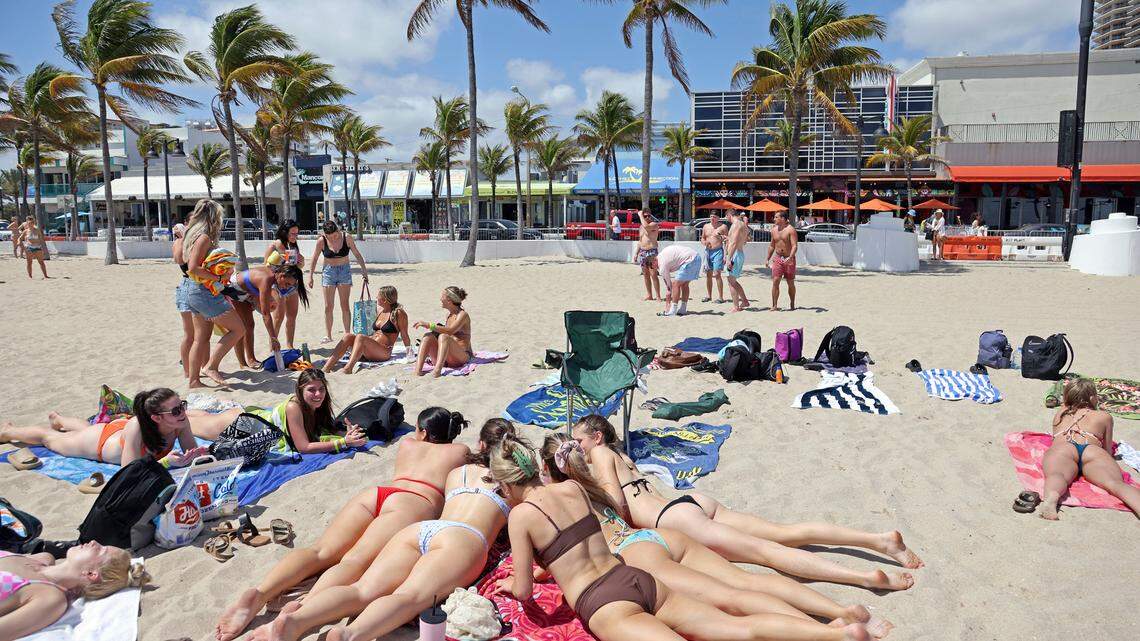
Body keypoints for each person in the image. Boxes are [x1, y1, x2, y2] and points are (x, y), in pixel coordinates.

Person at [490, 435, 873, 641]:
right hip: (634, 576)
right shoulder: (574, 488)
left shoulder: (521, 516)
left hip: (604, 602)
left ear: (508, 483)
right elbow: (586, 541)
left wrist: (512, 583)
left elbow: (524, 591)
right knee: (739, 625)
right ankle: (832, 634)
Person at [214, 408, 474, 641]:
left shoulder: (408, 443)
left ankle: (260, 593)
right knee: (353, 562)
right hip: (414, 502)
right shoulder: (459, 451)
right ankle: (301, 611)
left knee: (321, 551)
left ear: (423, 432)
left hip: (378, 494)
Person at [574, 415, 919, 591]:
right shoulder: (621, 454)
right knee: (783, 533)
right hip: (690, 503)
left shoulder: (601, 454)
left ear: (597, 437)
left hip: (673, 519)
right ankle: (879, 540)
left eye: (579, 441)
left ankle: (863, 577)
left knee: (766, 552)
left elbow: (617, 503)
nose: (576, 447)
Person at [254, 420, 517, 641]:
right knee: (407, 597)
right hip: (463, 539)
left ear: (481, 445)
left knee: (362, 590)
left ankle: (298, 619)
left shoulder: (458, 473)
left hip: (423, 530)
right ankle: (348, 634)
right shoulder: (513, 481)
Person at [1, 389, 215, 467]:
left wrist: (201, 455)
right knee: (49, 439)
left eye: (182, 405)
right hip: (100, 443)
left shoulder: (179, 421)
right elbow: (129, 470)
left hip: (114, 431)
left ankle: (60, 419)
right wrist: (166, 462)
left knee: (86, 429)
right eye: (176, 410)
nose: (182, 412)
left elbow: (192, 454)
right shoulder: (138, 427)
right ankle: (7, 431)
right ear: (156, 418)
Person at [0, 542, 147, 640]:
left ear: (91, 574)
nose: (94, 542)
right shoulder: (43, 557)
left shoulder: (51, 599)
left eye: (100, 549)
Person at [1040, 379, 1140, 520]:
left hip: (1064, 447)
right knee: (1115, 483)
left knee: (1057, 475)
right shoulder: (1104, 417)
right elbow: (1107, 450)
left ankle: (1051, 498)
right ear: (1093, 398)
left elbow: (1055, 439)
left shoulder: (1060, 413)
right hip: (1092, 450)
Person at [180, 199, 245, 388]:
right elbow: (193, 268)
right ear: (213, 217)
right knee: (238, 329)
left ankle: (194, 381)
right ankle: (211, 366)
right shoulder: (204, 237)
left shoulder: (190, 236)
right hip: (203, 291)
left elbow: (185, 263)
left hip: (192, 289)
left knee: (201, 338)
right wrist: (218, 277)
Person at [246, 369, 366, 454]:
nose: (318, 394)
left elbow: (324, 429)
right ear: (300, 390)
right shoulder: (293, 407)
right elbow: (303, 447)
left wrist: (346, 433)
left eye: (321, 389)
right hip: (248, 424)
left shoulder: (320, 404)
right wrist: (344, 442)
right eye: (311, 390)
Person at [224, 264, 308, 370]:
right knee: (242, 327)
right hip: (235, 288)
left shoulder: (274, 276)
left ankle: (251, 359)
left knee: (250, 325)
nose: (286, 287)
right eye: (287, 284)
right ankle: (243, 363)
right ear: (281, 275)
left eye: (289, 286)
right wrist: (273, 338)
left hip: (248, 291)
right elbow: (265, 314)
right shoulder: (267, 279)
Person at [324, 285, 412, 374]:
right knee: (347, 336)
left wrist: (409, 352)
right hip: (370, 350)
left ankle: (348, 368)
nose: (376, 297)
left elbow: (404, 334)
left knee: (360, 337)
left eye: (378, 295)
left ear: (385, 300)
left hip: (383, 352)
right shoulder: (380, 311)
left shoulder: (398, 313)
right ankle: (326, 367)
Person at [307, 221, 368, 343]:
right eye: (330, 237)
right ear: (325, 234)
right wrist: (310, 276)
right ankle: (328, 335)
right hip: (328, 272)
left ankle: (347, 334)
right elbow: (314, 258)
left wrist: (364, 271)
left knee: (344, 304)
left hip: (344, 271)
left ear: (337, 230)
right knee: (328, 306)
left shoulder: (347, 237)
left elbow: (357, 254)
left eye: (335, 235)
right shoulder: (321, 241)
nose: (334, 238)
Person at [412, 286, 472, 378]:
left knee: (444, 337)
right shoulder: (449, 315)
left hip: (461, 357)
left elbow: (450, 331)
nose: (440, 299)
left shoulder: (462, 315)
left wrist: (429, 325)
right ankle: (417, 371)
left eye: (442, 296)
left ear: (449, 300)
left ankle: (437, 371)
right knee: (427, 336)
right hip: (447, 358)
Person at [264, 221, 305, 348]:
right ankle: (273, 347)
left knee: (292, 316)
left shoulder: (292, 246)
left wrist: (301, 262)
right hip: (277, 285)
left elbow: (297, 266)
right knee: (278, 317)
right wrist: (280, 262)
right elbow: (265, 267)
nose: (295, 236)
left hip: (291, 284)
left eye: (296, 234)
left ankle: (289, 345)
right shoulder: (275, 245)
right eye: (292, 233)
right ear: (284, 232)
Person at [171, 223, 194, 380]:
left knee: (201, 335)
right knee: (190, 334)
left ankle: (198, 367)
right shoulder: (180, 241)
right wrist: (183, 237)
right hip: (188, 285)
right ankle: (187, 371)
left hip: (199, 287)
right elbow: (179, 259)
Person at [654, 244, 700, 317]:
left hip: (690, 260)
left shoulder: (662, 265)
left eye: (651, 267)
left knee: (675, 284)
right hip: (696, 257)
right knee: (684, 285)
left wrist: (668, 304)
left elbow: (669, 287)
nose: (654, 269)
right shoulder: (661, 255)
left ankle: (673, 310)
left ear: (654, 261)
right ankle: (683, 309)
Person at [766, 210, 799, 311]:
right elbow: (772, 245)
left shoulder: (790, 230)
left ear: (783, 219)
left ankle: (792, 304)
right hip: (778, 258)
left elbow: (794, 246)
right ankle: (774, 305)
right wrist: (767, 258)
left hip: (789, 259)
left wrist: (790, 257)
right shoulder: (774, 230)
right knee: (775, 281)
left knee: (790, 282)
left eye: (776, 217)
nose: (774, 219)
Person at [723, 209, 751, 311]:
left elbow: (734, 243)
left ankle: (736, 306)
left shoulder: (735, 225)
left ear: (729, 215)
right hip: (739, 253)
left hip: (734, 254)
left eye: (726, 216)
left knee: (731, 282)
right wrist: (728, 238)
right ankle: (744, 301)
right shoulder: (743, 225)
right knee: (733, 281)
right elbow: (745, 241)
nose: (726, 219)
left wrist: (728, 258)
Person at [701, 213, 728, 303]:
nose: (712, 218)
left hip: (718, 251)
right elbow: (702, 238)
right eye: (711, 216)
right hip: (708, 252)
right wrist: (704, 242)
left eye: (714, 217)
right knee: (708, 274)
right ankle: (709, 296)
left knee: (717, 274)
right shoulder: (706, 226)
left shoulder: (723, 227)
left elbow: (727, 240)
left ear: (718, 218)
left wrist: (725, 255)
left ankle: (721, 297)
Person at [635, 209, 660, 300]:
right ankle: (649, 295)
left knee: (653, 274)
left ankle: (658, 296)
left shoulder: (653, 224)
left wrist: (640, 215)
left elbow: (647, 227)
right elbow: (640, 241)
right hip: (643, 252)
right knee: (646, 275)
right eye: (645, 216)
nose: (647, 217)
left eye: (649, 216)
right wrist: (636, 253)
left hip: (652, 252)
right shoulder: (641, 227)